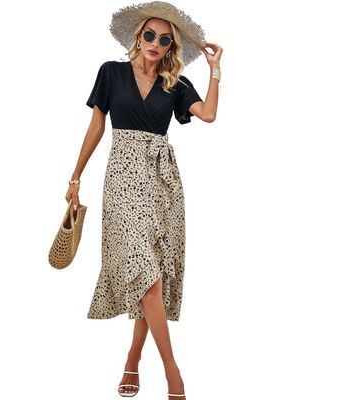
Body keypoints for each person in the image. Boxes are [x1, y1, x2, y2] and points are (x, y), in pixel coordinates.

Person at [65, 2, 223, 399]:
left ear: (171, 47)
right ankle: (173, 373)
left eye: (164, 39)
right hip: (122, 180)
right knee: (146, 278)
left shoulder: (175, 84)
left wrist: (215, 71)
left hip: (162, 184)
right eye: (149, 35)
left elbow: (208, 114)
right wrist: (75, 177)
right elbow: (96, 126)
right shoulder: (111, 72)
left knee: (152, 278)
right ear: (138, 36)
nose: (155, 42)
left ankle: (133, 360)